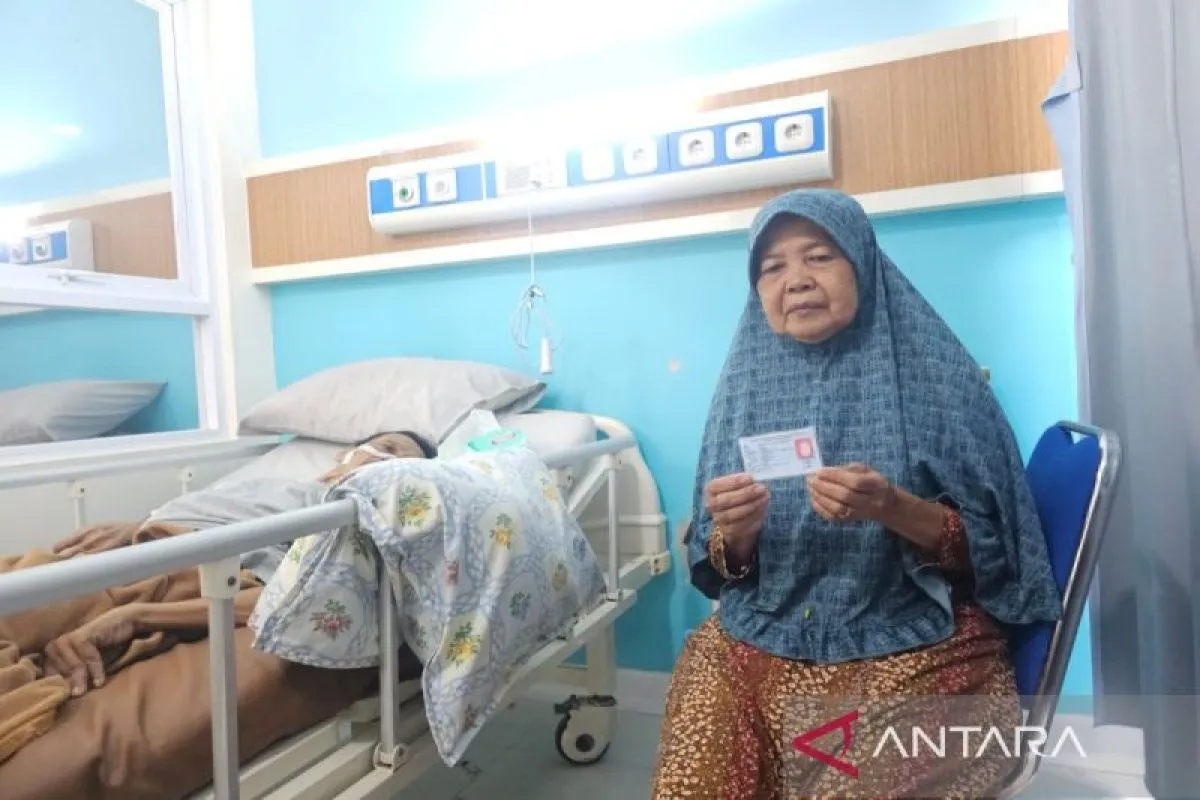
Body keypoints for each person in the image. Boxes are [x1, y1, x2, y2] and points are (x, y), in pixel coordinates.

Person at [651, 189, 1063, 799]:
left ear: (863, 265)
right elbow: (719, 568)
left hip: (918, 640)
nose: (796, 280)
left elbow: (999, 556)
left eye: (819, 256)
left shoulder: (938, 380)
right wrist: (735, 535)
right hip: (761, 636)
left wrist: (893, 508)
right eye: (773, 267)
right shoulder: (742, 390)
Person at [19, 430, 436, 699]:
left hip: (179, 572)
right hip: (130, 548)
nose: (388, 463)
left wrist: (136, 616)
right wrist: (141, 524)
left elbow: (277, 598)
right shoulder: (266, 486)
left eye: (405, 464)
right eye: (387, 448)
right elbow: (200, 514)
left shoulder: (340, 517)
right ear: (348, 451)